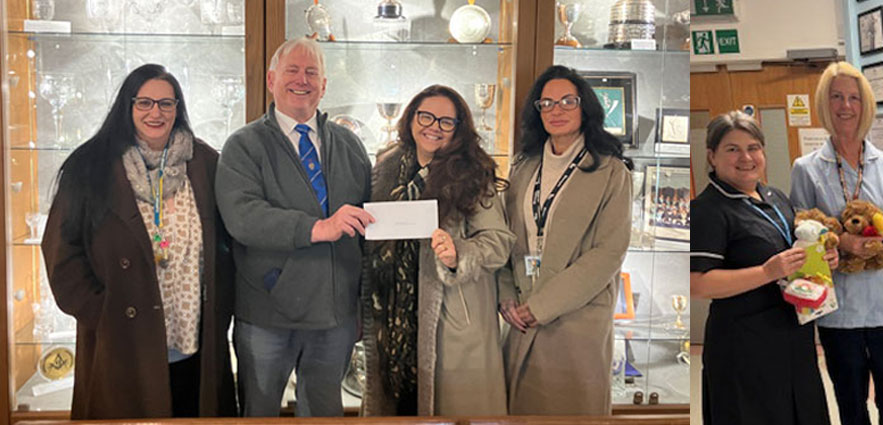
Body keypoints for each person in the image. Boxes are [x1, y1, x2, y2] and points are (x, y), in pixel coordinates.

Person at [41, 64, 236, 419]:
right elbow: (61, 253)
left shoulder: (206, 163)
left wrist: (221, 309)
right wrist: (102, 313)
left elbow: (229, 244)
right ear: (126, 107)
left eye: (166, 103)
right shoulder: (90, 166)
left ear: (178, 108)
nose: (155, 112)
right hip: (122, 343)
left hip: (195, 343)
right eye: (144, 102)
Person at [215, 37, 373, 417]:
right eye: (292, 71)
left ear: (324, 85)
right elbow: (243, 217)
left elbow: (369, 224)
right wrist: (318, 228)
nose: (302, 80)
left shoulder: (350, 145)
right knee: (260, 412)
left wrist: (361, 305)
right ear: (271, 80)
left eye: (312, 72)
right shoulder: (243, 146)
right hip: (267, 314)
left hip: (335, 316)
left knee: (323, 412)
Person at [360, 85, 513, 416]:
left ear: (459, 129)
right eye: (426, 116)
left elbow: (498, 243)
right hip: (393, 321)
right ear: (412, 117)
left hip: (451, 320)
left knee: (445, 414)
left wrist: (457, 253)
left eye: (447, 121)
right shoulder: (386, 167)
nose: (434, 126)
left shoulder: (473, 174)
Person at [789, 61, 883, 425]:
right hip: (839, 307)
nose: (846, 106)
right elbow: (802, 232)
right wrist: (842, 241)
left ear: (865, 106)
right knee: (850, 401)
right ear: (824, 104)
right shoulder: (806, 168)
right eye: (836, 98)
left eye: (853, 98)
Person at [499, 65, 632, 415]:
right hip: (521, 316)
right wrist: (506, 297)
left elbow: (608, 253)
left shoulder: (611, 171)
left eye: (567, 101)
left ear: (584, 107)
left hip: (576, 319)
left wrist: (542, 307)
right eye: (546, 103)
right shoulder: (523, 167)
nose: (556, 110)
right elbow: (506, 238)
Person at [691, 111, 835, 425]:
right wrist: (766, 273)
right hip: (744, 347)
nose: (746, 157)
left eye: (754, 147)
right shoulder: (707, 210)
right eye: (733, 149)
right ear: (712, 156)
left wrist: (820, 259)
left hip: (794, 337)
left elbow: (791, 253)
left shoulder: (775, 197)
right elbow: (697, 284)